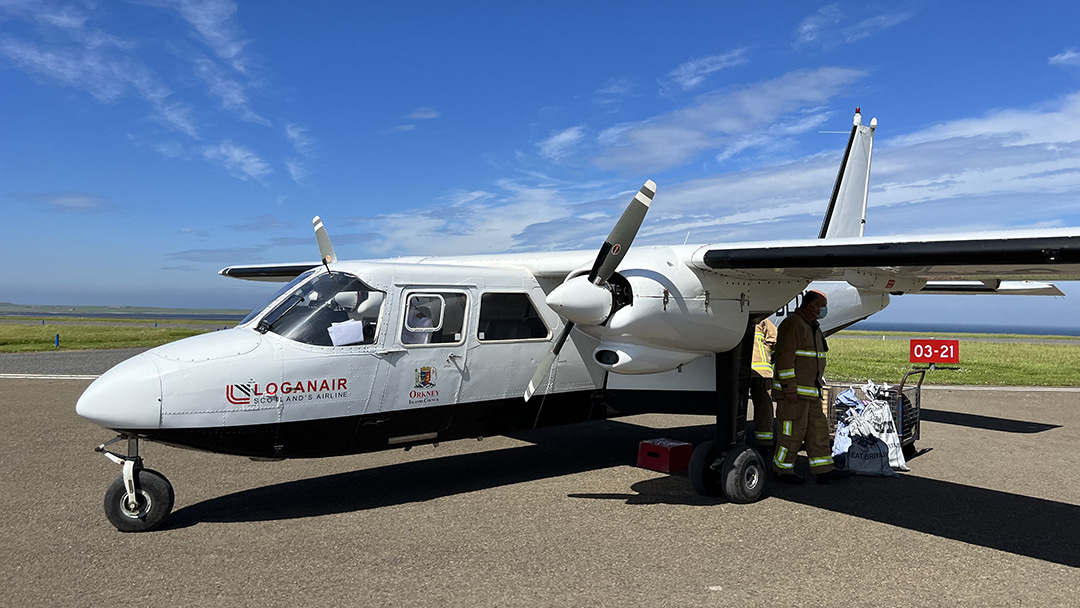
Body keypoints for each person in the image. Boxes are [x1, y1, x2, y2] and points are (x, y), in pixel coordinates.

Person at [771, 290, 845, 484]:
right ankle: (782, 470)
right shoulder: (794, 324)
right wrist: (788, 387)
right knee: (792, 432)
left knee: (818, 431)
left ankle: (823, 469)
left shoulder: (813, 326)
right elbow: (784, 357)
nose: (824, 310)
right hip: (795, 394)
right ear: (810, 306)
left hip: (811, 393)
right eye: (822, 305)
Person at [750, 318, 777, 455]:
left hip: (740, 371)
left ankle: (737, 440)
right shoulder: (763, 320)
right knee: (764, 408)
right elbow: (775, 341)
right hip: (762, 371)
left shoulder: (732, 317)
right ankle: (765, 443)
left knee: (737, 407)